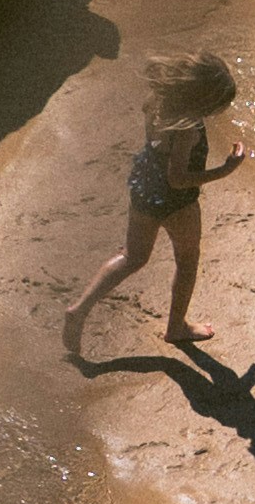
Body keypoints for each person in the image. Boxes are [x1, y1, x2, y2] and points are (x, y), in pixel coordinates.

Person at [63, 47, 244, 364]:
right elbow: (178, 178)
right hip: (177, 203)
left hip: (145, 188)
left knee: (132, 257)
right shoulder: (188, 129)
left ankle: (80, 309)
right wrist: (225, 170)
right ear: (202, 101)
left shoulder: (157, 101)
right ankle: (176, 327)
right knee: (187, 260)